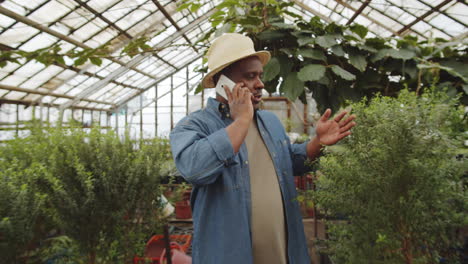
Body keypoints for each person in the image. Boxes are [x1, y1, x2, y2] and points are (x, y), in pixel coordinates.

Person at [170, 33, 356, 264]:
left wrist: (316, 143)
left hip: (284, 252)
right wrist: (240, 121)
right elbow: (195, 169)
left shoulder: (270, 122)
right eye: (250, 76)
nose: (260, 84)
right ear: (222, 81)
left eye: (259, 75)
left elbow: (289, 162)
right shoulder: (194, 126)